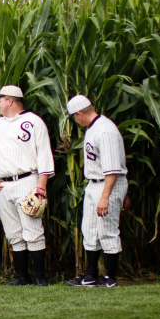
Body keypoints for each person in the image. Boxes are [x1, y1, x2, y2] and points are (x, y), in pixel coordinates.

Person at [0, 85, 55, 286]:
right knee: (13, 233)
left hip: (27, 181)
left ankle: (41, 278)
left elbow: (44, 155)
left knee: (32, 230)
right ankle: (22, 277)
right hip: (3, 185)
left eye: (0, 99)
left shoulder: (33, 122)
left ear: (10, 101)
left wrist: (40, 188)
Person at [65, 95, 128, 288]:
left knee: (108, 231)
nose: (74, 121)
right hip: (94, 183)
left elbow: (113, 169)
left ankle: (110, 278)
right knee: (90, 230)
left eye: (74, 117)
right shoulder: (93, 128)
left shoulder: (105, 130)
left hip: (108, 183)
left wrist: (105, 197)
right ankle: (90, 276)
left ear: (79, 113)